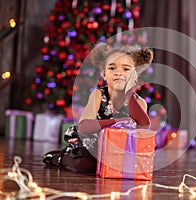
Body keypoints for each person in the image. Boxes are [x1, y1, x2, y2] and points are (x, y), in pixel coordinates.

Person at [43, 43, 154, 173]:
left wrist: (129, 94)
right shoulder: (98, 95)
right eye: (112, 68)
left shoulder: (139, 102)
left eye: (126, 69)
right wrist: (117, 122)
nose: (118, 72)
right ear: (105, 74)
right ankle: (61, 158)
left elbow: (143, 125)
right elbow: (84, 126)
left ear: (134, 75)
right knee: (84, 164)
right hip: (93, 144)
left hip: (120, 149)